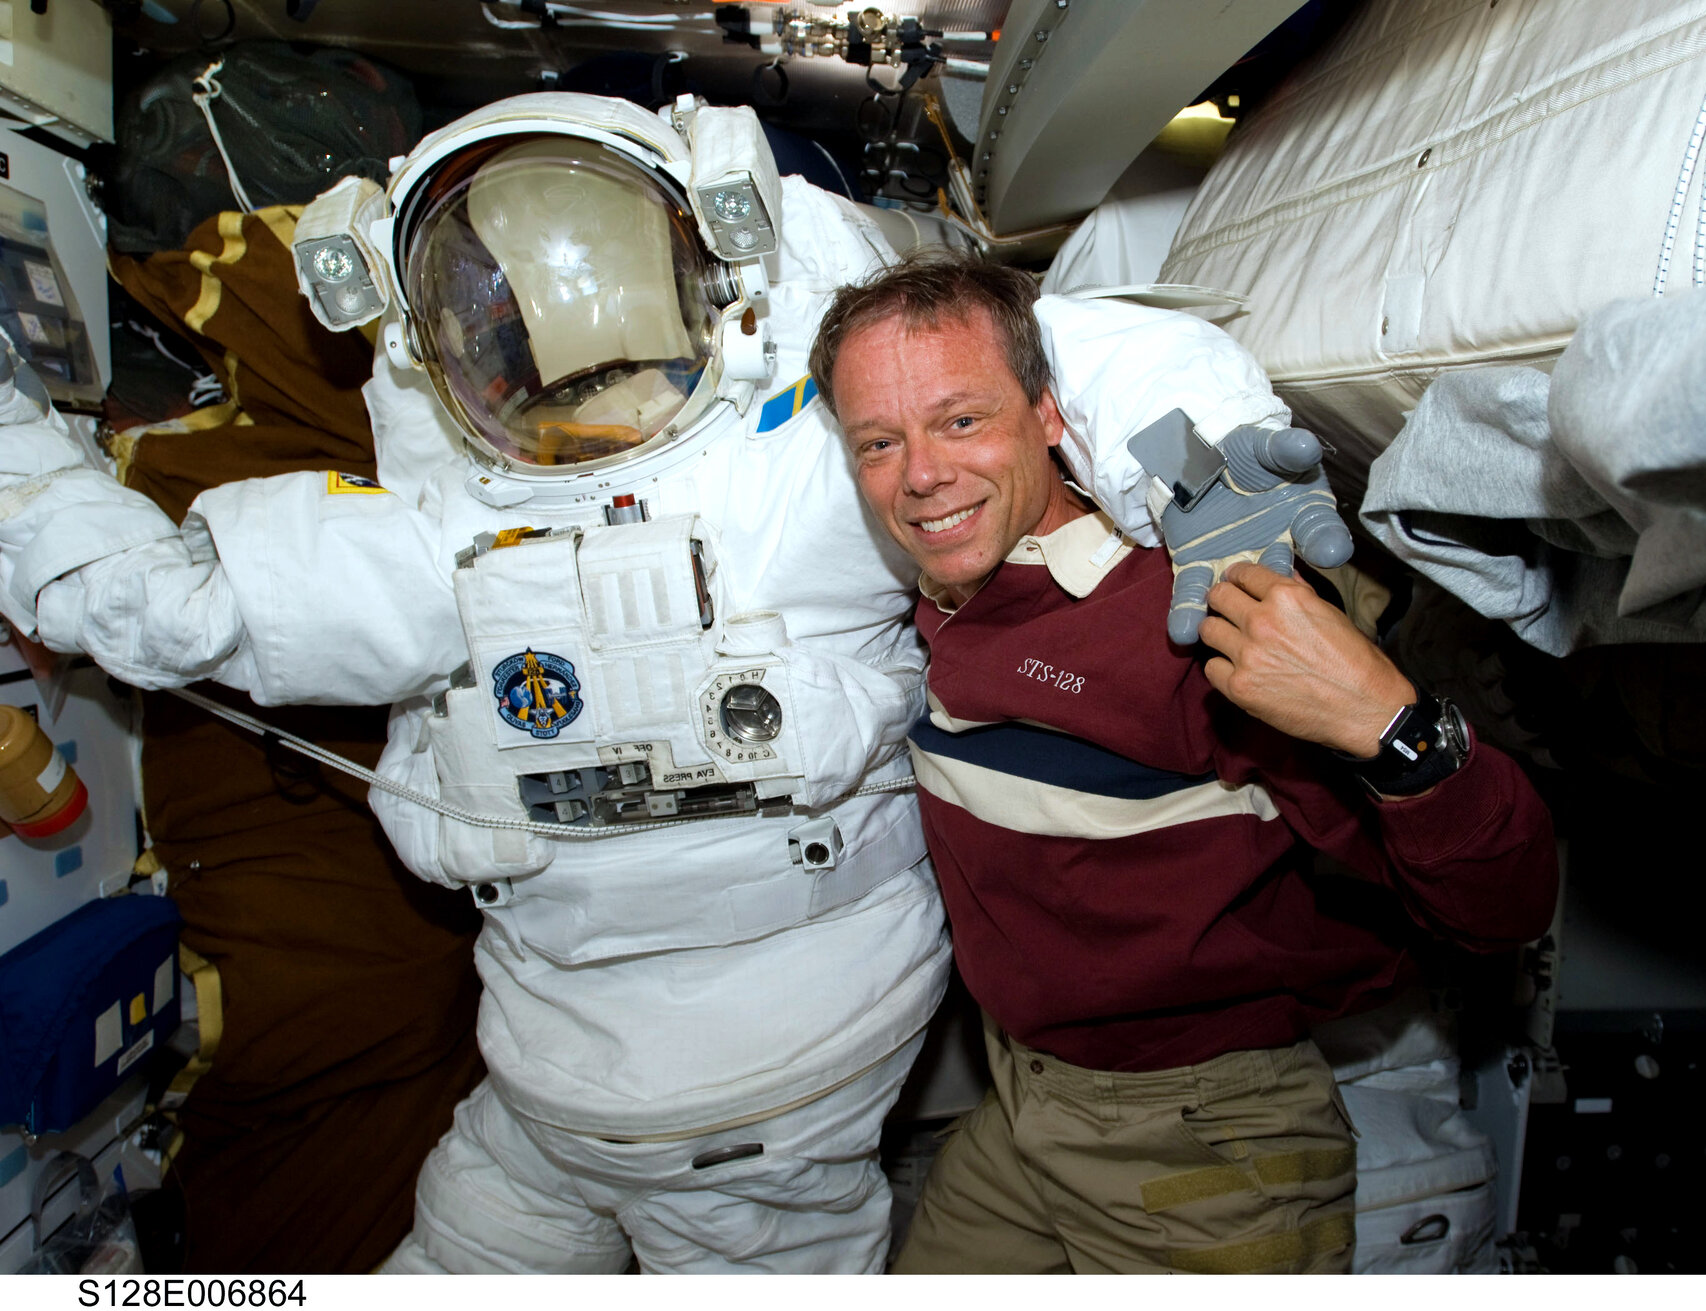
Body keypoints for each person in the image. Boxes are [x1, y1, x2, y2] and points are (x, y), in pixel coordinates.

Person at [0, 96, 1352, 1274]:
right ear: (427, 334)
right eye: (497, 324)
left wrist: (1214, 464)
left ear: (715, 268)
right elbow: (157, 606)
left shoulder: (808, 469)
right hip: (543, 1077)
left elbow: (1032, 361)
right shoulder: (438, 537)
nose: (556, 376)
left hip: (770, 1091)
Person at [810, 253, 1560, 1275]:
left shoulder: (1185, 621)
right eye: (880, 443)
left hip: (1198, 1134)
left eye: (961, 420)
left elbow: (1503, 907)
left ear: (1047, 414)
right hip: (1024, 1101)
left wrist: (1393, 725)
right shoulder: (936, 593)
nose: (922, 476)